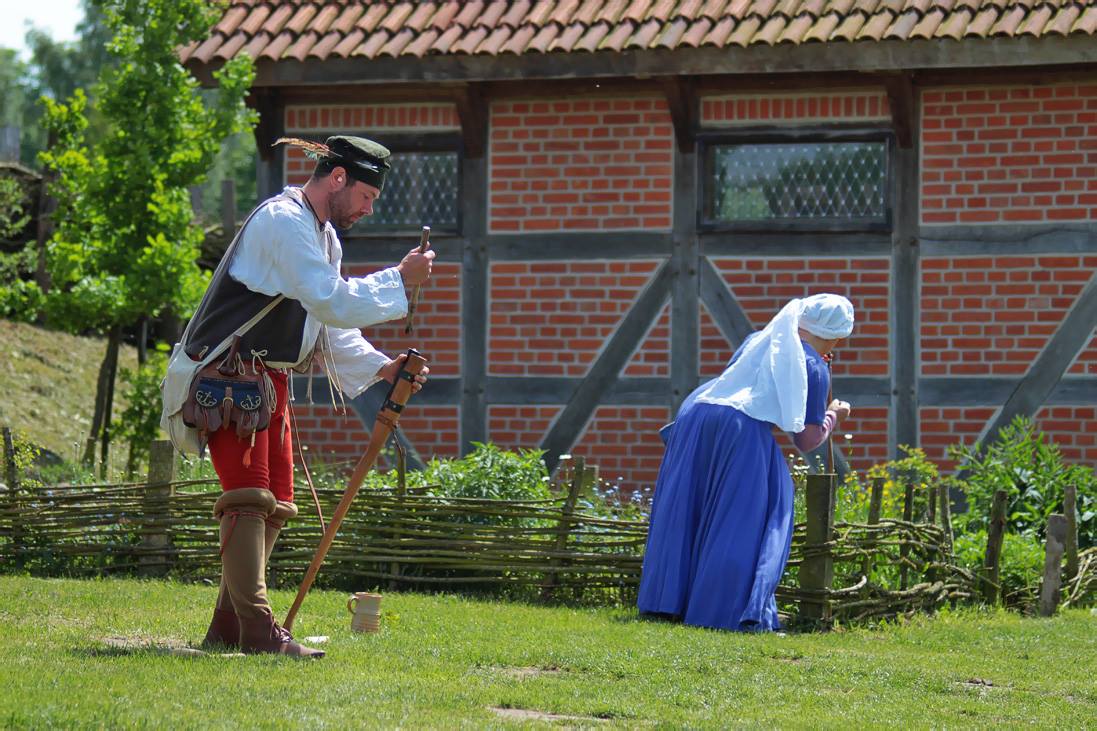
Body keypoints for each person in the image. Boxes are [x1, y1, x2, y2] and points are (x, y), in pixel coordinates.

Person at [180, 135, 434, 658]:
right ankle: (259, 631)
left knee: (274, 503)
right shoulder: (283, 221)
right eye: (366, 196)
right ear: (338, 178)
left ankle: (227, 628)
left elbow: (326, 324)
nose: (369, 209)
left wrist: (380, 366)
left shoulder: (324, 237)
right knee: (249, 499)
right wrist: (399, 279)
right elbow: (330, 299)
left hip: (264, 381)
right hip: (228, 378)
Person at [636, 293, 854, 632]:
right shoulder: (813, 365)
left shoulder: (759, 339)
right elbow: (807, 439)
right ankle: (723, 612)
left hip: (696, 414)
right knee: (747, 516)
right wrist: (833, 414)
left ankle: (667, 603)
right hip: (738, 427)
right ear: (838, 338)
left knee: (688, 509)